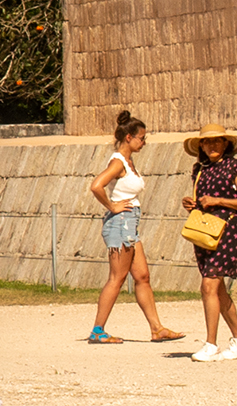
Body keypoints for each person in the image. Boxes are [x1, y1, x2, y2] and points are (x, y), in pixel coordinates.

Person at [84, 110, 178, 345]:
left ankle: (157, 328)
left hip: (130, 223)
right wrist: (112, 206)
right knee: (117, 277)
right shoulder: (118, 161)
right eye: (142, 138)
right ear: (129, 138)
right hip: (121, 223)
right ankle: (98, 330)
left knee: (143, 276)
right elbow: (96, 186)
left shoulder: (128, 161)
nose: (144, 142)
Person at [182, 123, 237, 361]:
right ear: (201, 145)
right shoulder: (199, 169)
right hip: (204, 229)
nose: (212, 145)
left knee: (209, 285)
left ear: (226, 144)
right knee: (218, 289)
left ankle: (211, 343)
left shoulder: (235, 167)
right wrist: (194, 203)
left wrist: (218, 200)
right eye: (207, 141)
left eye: (217, 141)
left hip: (225, 229)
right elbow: (202, 200)